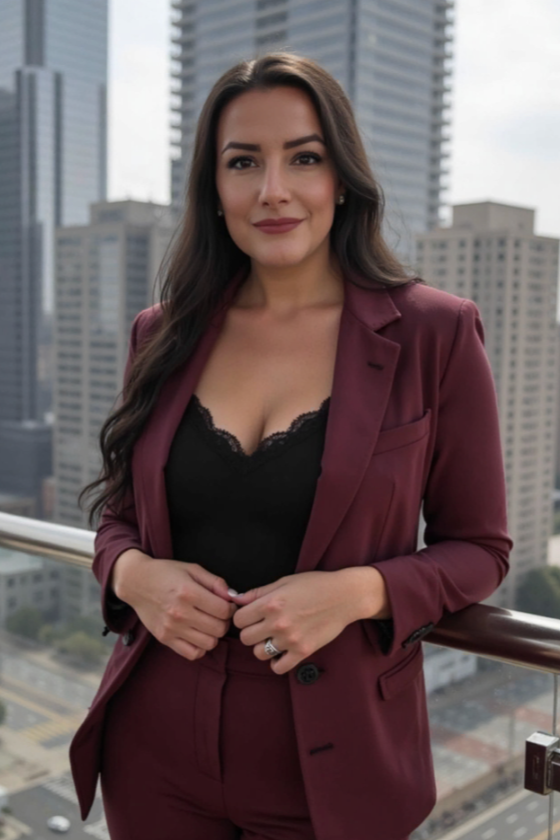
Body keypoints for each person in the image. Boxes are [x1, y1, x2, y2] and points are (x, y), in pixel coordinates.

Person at [69, 52, 513, 840]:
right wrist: (132, 574)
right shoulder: (161, 332)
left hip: (333, 770)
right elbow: (119, 515)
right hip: (155, 748)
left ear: (340, 177)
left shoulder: (434, 333)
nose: (273, 189)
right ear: (214, 187)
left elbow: (480, 548)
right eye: (243, 162)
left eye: (303, 158)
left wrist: (356, 592)